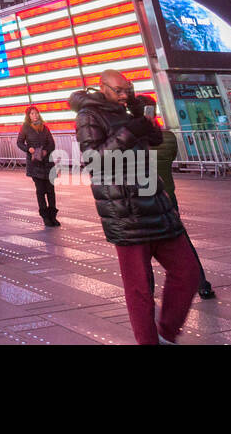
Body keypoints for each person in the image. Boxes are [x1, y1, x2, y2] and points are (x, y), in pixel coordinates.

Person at [73, 70, 197, 345]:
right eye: (118, 90)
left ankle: (167, 332)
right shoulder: (89, 116)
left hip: (155, 200)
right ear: (102, 88)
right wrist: (130, 131)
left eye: (126, 90)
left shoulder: (127, 112)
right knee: (139, 287)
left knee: (188, 271)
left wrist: (144, 120)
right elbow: (94, 160)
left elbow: (154, 141)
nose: (123, 95)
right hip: (124, 209)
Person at [152, 112, 215, 299]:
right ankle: (202, 283)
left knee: (141, 252)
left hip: (143, 203)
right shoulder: (168, 138)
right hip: (168, 197)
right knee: (183, 243)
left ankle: (146, 291)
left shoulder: (132, 141)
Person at [17, 106, 60, 227]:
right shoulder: (25, 128)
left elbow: (51, 143)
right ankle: (45, 216)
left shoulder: (44, 127)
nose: (35, 115)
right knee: (40, 191)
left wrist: (46, 151)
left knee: (51, 191)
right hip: (34, 163)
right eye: (32, 114)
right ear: (28, 116)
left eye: (36, 113)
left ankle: (53, 215)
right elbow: (19, 142)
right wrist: (28, 149)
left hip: (48, 162)